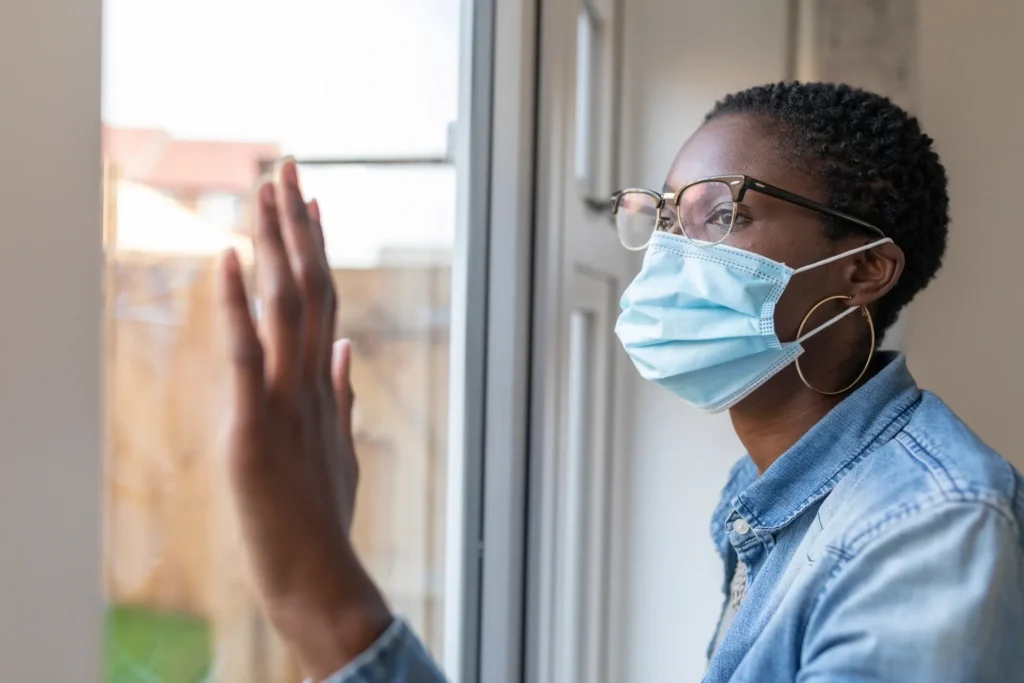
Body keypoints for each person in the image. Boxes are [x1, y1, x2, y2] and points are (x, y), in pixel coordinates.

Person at [219, 82, 1024, 683]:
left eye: (720, 215)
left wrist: (322, 600)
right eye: (667, 219)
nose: (672, 252)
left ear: (864, 270)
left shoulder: (930, 526)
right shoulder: (768, 494)